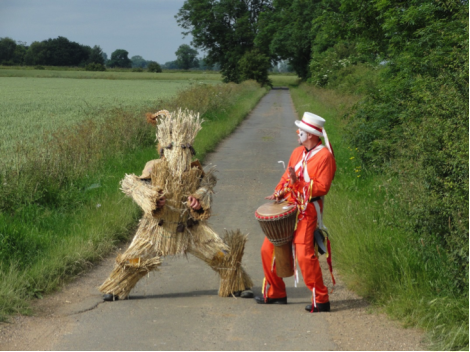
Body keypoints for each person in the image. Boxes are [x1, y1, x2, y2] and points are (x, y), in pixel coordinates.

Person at [99, 109, 253, 301]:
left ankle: (237, 285)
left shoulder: (195, 169)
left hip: (190, 230)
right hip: (156, 230)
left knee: (223, 255)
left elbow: (207, 187)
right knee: (133, 260)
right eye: (174, 148)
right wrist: (152, 199)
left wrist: (198, 200)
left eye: (185, 149)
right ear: (165, 149)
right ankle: (116, 289)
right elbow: (135, 185)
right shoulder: (153, 166)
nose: (180, 154)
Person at [254, 112, 336, 312]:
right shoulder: (297, 152)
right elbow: (286, 177)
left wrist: (298, 183)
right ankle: (276, 293)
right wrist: (278, 192)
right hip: (289, 206)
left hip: (308, 210)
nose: (297, 132)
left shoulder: (325, 156)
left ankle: (321, 299)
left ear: (310, 134)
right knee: (267, 249)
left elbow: (322, 187)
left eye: (301, 130)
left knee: (304, 254)